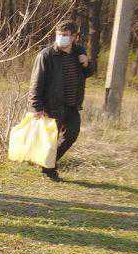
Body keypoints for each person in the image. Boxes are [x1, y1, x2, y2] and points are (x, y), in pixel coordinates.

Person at [27, 20, 94, 181]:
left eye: (66, 35)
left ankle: (47, 162)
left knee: (71, 135)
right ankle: (49, 170)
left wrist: (86, 64)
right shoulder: (46, 55)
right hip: (52, 105)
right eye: (59, 35)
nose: (62, 38)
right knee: (51, 140)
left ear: (74, 37)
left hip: (72, 105)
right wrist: (36, 106)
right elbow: (36, 82)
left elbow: (88, 73)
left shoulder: (78, 54)